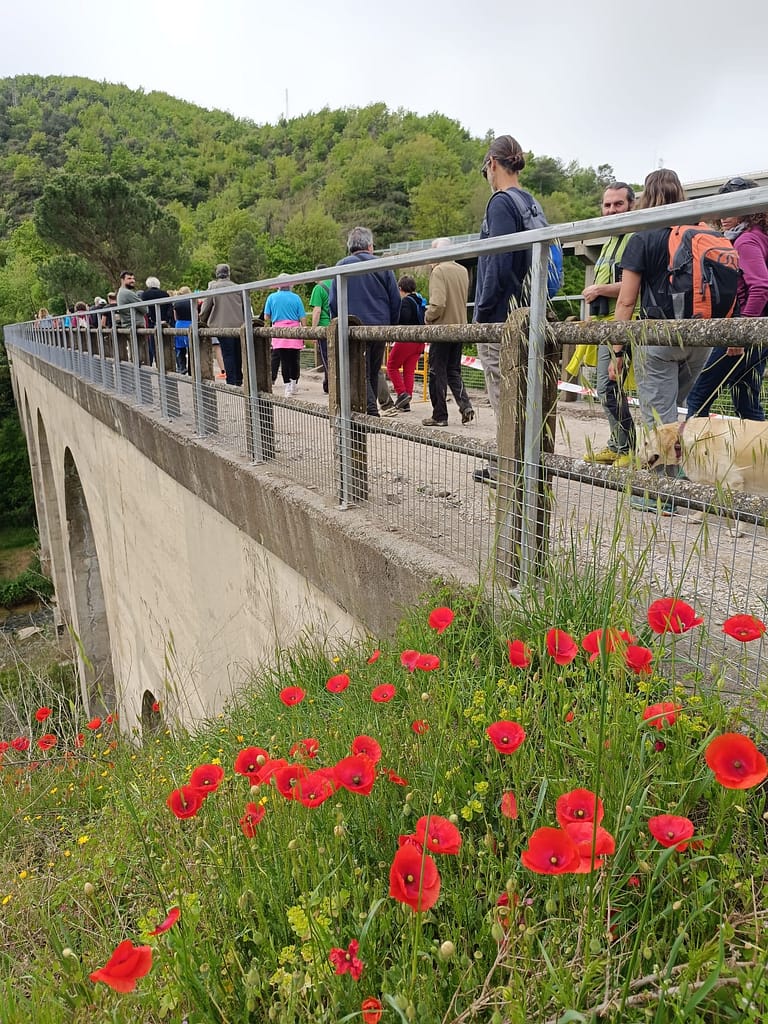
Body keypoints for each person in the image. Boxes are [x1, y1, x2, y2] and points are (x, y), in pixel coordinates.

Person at [472, 134, 546, 482]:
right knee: (523, 393)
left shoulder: (500, 203)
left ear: (492, 164)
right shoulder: (530, 202)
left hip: (502, 315)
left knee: (502, 393)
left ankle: (508, 467)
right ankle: (527, 463)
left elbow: (498, 262)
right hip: (527, 309)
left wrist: (483, 312)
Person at [613, 169, 711, 430]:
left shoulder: (643, 237)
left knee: (659, 423)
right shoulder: (703, 233)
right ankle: (682, 468)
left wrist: (617, 351)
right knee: (676, 415)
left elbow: (626, 301)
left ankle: (662, 471)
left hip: (659, 337)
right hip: (702, 337)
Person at [686, 177, 768, 421]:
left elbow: (761, 287)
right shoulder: (759, 236)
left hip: (745, 330)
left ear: (749, 210)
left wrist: (739, 332)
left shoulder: (746, 240)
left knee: (698, 398)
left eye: (732, 208)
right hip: (759, 332)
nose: (723, 215)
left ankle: (696, 457)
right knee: (746, 400)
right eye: (722, 207)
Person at [580, 183, 638, 465]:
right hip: (606, 324)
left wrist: (600, 290)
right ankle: (618, 444)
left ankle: (627, 447)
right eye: (607, 205)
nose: (612, 210)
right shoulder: (609, 241)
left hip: (625, 324)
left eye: (618, 204)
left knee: (611, 386)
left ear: (632, 205)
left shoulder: (634, 237)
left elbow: (633, 286)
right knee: (607, 388)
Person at [329, 226, 401, 417]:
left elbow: (333, 302)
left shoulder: (341, 265)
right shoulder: (382, 265)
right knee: (374, 370)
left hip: (352, 327)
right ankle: (370, 410)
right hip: (379, 326)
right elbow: (395, 299)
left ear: (350, 246)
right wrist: (392, 328)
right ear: (370, 246)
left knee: (360, 371)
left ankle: (370, 412)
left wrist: (336, 324)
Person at [422, 237, 474, 427]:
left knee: (437, 371)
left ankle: (439, 415)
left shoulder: (439, 271)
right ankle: (465, 405)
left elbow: (438, 303)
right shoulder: (462, 271)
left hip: (443, 329)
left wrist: (428, 316)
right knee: (453, 370)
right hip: (460, 327)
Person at [199, 263, 247, 386]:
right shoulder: (239, 288)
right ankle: (239, 379)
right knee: (238, 352)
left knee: (228, 353)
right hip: (238, 325)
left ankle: (231, 381)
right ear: (229, 273)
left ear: (217, 274)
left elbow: (206, 308)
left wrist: (201, 322)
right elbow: (245, 307)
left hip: (221, 326)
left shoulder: (213, 288)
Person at [385, 275, 425, 413]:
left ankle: (402, 393)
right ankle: (406, 401)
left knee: (391, 365)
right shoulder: (419, 300)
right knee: (409, 371)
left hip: (407, 340)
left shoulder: (406, 302)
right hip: (419, 341)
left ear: (400, 289)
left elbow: (404, 318)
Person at [264, 277, 307, 396]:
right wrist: (305, 331)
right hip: (294, 330)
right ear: (290, 285)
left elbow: (267, 316)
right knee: (294, 359)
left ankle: (287, 386)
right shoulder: (296, 297)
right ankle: (294, 384)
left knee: (284, 360)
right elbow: (302, 317)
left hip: (279, 331)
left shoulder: (272, 297)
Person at [141, 276, 174, 366]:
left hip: (152, 322)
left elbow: (144, 309)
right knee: (166, 345)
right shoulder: (165, 294)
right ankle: (166, 363)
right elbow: (170, 308)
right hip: (164, 322)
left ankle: (156, 362)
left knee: (153, 344)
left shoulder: (145, 295)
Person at [309, 265, 332, 393]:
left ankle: (331, 386)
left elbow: (317, 311)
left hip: (324, 328)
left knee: (327, 359)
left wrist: (313, 331)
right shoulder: (336, 284)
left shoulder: (318, 288)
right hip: (338, 326)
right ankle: (330, 384)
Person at [116, 272, 148, 361]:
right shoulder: (127, 293)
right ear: (122, 280)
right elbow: (145, 309)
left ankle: (137, 373)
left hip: (129, 326)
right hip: (135, 327)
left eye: (133, 278)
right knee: (140, 356)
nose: (133, 281)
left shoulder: (120, 292)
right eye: (129, 278)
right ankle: (140, 374)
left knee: (135, 353)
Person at [172, 285, 194, 374]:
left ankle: (182, 367)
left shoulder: (177, 303)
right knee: (191, 347)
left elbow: (175, 317)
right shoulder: (192, 301)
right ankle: (191, 369)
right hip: (190, 324)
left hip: (180, 324)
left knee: (180, 347)